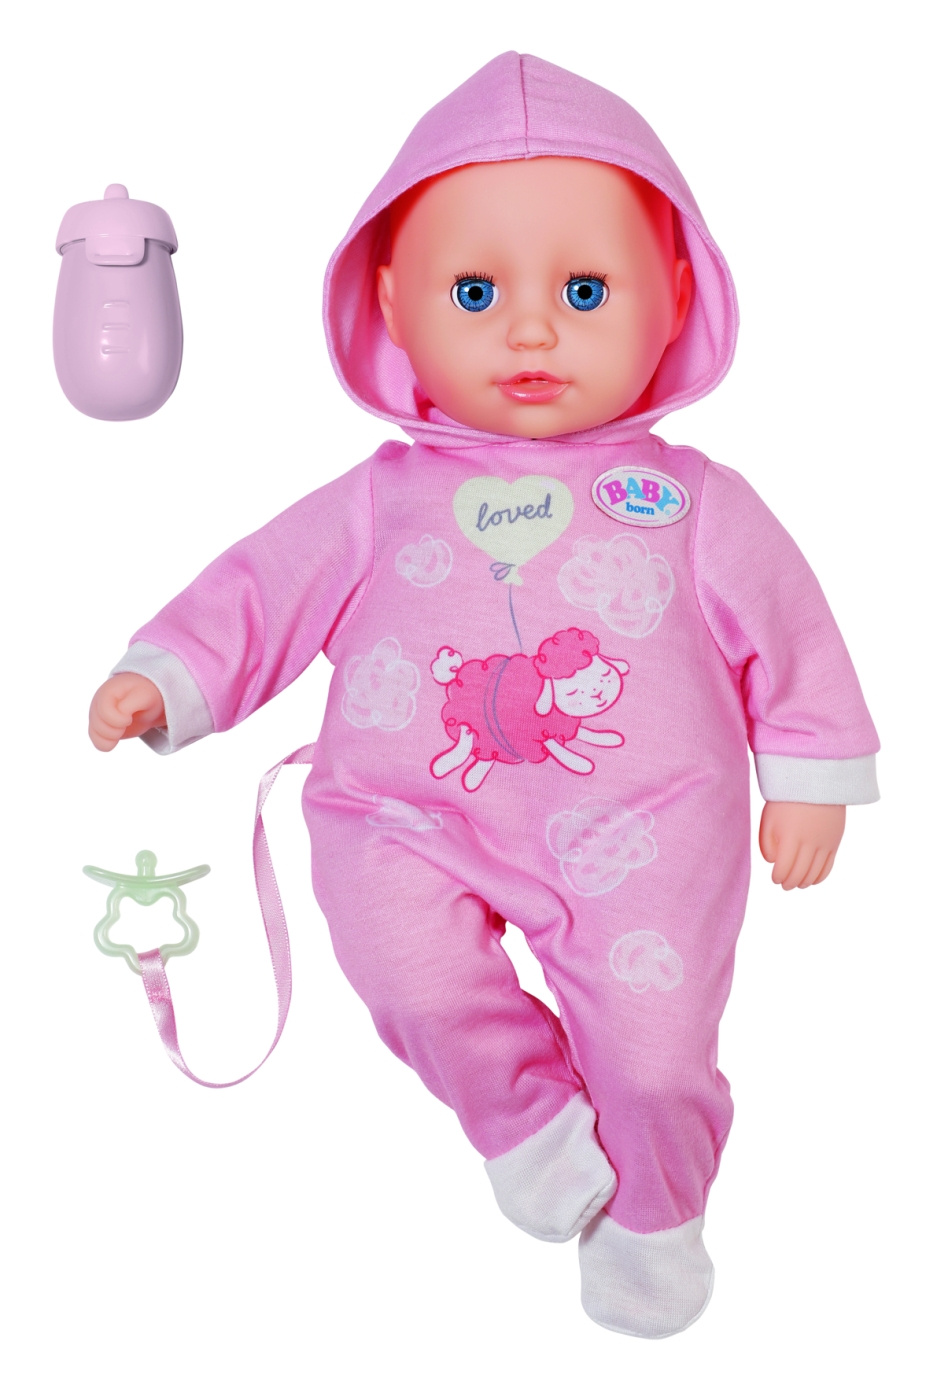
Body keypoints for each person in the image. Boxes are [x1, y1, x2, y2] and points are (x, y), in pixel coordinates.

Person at [88, 53, 878, 1338]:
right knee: (406, 971)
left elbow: (793, 638)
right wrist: (166, 673)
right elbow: (260, 590)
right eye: (474, 291)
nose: (530, 332)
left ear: (674, 298)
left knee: (657, 1047)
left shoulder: (692, 501)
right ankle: (524, 1120)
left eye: (583, 290)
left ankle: (656, 1215)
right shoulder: (378, 498)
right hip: (405, 815)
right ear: (392, 306)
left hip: (644, 832)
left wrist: (810, 770)